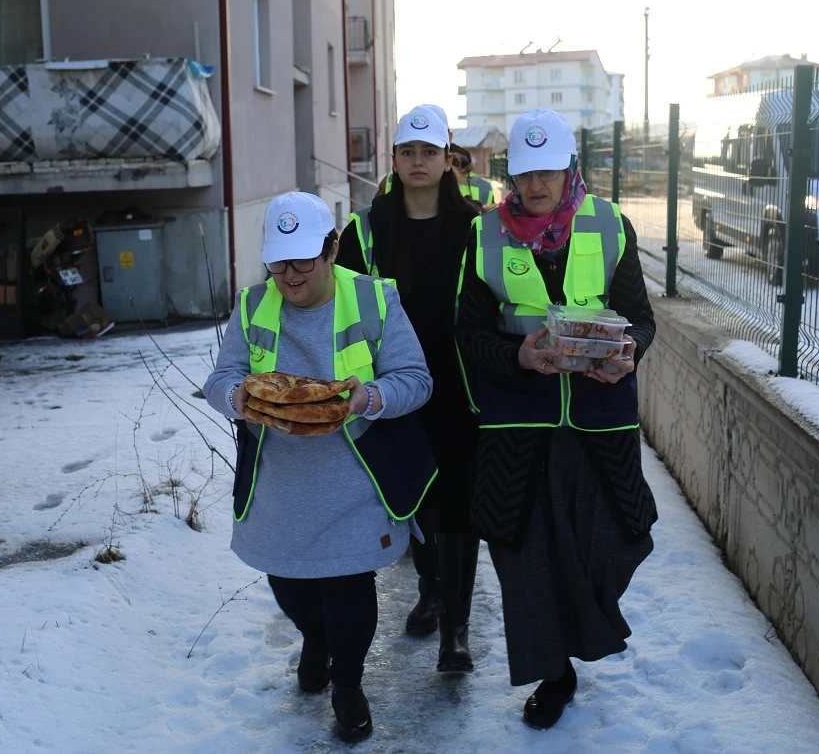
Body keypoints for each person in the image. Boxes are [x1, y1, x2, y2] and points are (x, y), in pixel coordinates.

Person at [203, 191, 436, 743]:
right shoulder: (251, 304)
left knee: (348, 584)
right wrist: (237, 397)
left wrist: (368, 397)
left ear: (332, 249)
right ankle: (316, 638)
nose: (289, 275)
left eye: (303, 260)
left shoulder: (375, 299)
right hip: (280, 481)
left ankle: (348, 685)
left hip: (355, 476)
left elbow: (416, 379)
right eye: (278, 262)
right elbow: (221, 378)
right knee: (289, 583)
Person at [455, 109, 658, 729]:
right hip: (519, 424)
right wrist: (516, 356)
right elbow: (467, 333)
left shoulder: (610, 224)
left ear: (571, 169)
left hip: (599, 420)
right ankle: (553, 672)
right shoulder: (484, 234)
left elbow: (641, 319)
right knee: (523, 553)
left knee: (617, 538)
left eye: (547, 172)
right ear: (510, 176)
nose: (535, 185)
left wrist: (628, 352)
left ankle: (587, 623)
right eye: (524, 174)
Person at [337, 104, 483, 673]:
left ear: (448, 160)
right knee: (415, 495)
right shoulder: (366, 230)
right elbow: (341, 304)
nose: (418, 161)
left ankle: (456, 630)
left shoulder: (477, 228)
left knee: (459, 503)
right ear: (394, 160)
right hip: (396, 386)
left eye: (429, 152)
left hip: (461, 386)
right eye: (407, 152)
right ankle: (431, 587)